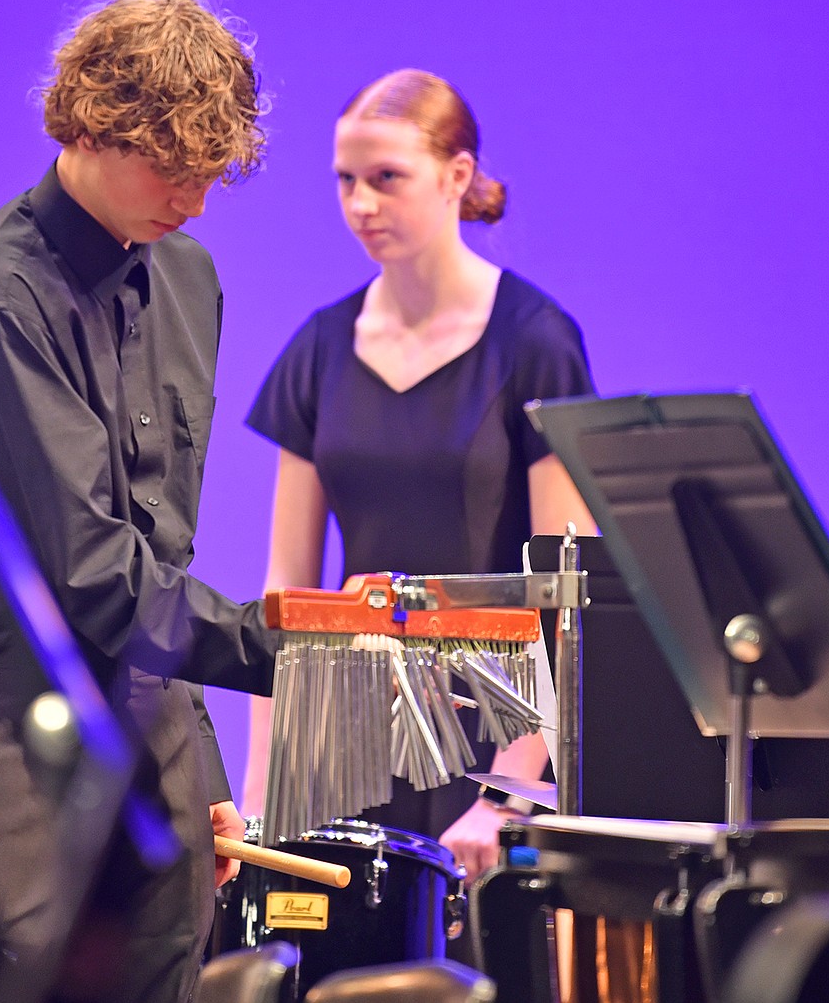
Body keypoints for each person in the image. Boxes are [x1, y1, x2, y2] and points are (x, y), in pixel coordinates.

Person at [0, 0, 279, 1003]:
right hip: (1, 743)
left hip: (147, 738)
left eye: (210, 175)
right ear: (94, 126)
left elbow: (160, 564)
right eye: (174, 166)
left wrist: (206, 773)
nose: (193, 199)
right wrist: (299, 655)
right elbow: (92, 569)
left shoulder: (189, 277)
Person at [242, 68, 597, 885]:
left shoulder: (536, 342)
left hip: (490, 739)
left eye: (386, 179)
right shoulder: (319, 348)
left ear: (457, 176)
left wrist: (513, 790)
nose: (361, 204)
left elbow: (573, 598)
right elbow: (286, 591)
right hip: (342, 738)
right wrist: (265, 788)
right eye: (346, 181)